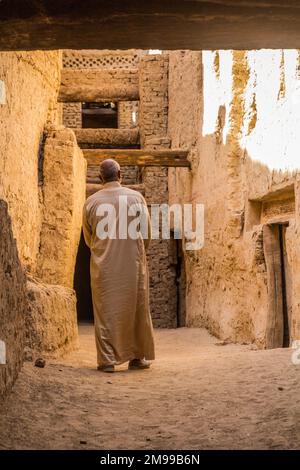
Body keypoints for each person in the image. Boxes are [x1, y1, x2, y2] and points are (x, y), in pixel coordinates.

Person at [82, 159, 155, 372]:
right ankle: (137, 357)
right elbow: (146, 235)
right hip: (133, 264)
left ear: (100, 178)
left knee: (106, 313)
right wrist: (136, 252)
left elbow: (89, 238)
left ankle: (107, 361)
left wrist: (103, 250)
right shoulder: (136, 198)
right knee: (136, 309)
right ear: (120, 174)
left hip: (103, 266)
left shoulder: (91, 202)